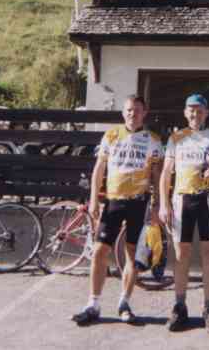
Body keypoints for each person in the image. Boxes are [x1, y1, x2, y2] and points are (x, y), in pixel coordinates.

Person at [72, 95, 163, 326]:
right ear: (124, 113)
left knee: (131, 254)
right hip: (113, 201)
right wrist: (93, 200)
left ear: (145, 113)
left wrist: (157, 205)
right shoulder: (111, 135)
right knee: (100, 251)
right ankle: (93, 304)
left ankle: (124, 303)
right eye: (129, 110)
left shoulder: (153, 140)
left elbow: (157, 176)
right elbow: (99, 169)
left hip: (138, 202)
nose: (133, 114)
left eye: (137, 110)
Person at [159, 94, 209, 334]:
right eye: (191, 110)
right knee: (181, 254)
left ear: (207, 112)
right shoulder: (177, 138)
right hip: (182, 200)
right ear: (185, 113)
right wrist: (164, 204)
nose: (195, 114)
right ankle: (180, 306)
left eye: (200, 110)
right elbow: (166, 173)